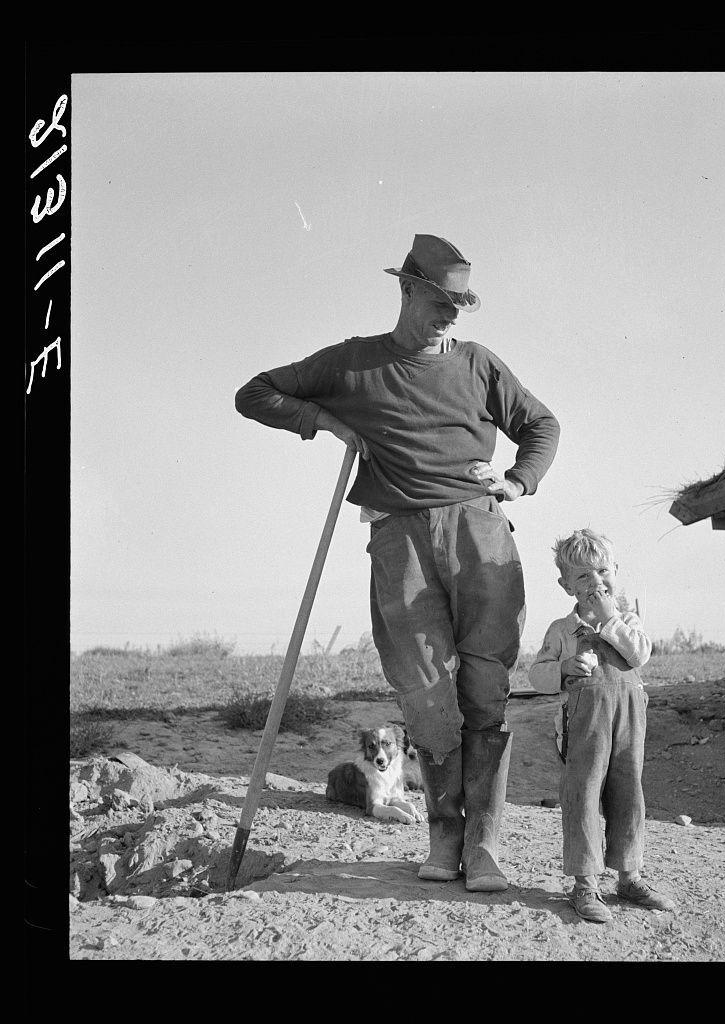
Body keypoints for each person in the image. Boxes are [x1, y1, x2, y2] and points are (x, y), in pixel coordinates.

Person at [235, 233, 560, 892]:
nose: (449, 315)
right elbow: (256, 393)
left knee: (485, 690)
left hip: (480, 532)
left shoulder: (477, 363)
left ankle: (485, 844)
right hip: (399, 539)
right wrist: (326, 421)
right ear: (407, 289)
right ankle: (443, 838)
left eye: (459, 305)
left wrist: (517, 482)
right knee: (425, 694)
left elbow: (541, 426)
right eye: (439, 301)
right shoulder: (352, 363)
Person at [528, 528, 677, 923]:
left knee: (629, 796)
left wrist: (610, 618)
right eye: (583, 577)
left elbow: (639, 654)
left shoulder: (628, 620)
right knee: (583, 797)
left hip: (629, 722)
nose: (596, 583)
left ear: (616, 570)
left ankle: (630, 877)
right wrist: (561, 669)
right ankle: (585, 885)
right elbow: (536, 675)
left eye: (602, 571)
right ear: (566, 586)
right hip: (585, 727)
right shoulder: (563, 630)